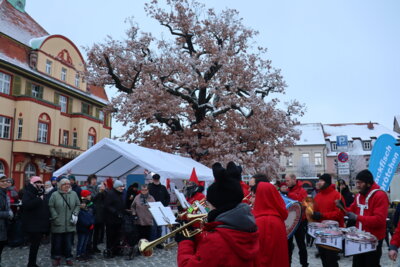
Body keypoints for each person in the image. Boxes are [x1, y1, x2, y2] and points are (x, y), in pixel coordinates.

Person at [176, 162, 259, 267]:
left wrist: (185, 242)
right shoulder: (189, 197)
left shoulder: (200, 196)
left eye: (191, 183)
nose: (189, 186)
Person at [344, 169, 389, 267]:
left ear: (368, 183)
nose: (357, 185)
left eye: (360, 182)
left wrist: (357, 217)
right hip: (359, 238)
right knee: (357, 264)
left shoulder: (380, 195)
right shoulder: (359, 196)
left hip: (373, 240)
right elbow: (350, 210)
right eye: (356, 182)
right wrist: (341, 206)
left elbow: (379, 220)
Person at [311, 174, 345, 267]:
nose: (318, 183)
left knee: (331, 261)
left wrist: (322, 215)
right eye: (319, 181)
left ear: (327, 182)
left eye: (321, 181)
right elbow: (315, 210)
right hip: (321, 233)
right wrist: (313, 215)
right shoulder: (318, 196)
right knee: (324, 259)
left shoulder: (337, 195)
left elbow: (340, 214)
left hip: (334, 234)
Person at [253, 180, 289, 267]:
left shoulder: (262, 220)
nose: (252, 197)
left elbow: (262, 256)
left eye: (255, 195)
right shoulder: (277, 218)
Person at [48, 178, 80, 266]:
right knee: (57, 243)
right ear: (60, 185)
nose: (67, 185)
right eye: (64, 184)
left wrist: (75, 212)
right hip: (58, 222)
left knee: (68, 243)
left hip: (70, 223)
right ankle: (57, 258)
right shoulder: (55, 194)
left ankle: (68, 258)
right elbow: (51, 206)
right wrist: (55, 216)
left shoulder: (73, 194)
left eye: (68, 184)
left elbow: (78, 204)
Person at [21, 176, 50, 267]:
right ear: (33, 183)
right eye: (37, 183)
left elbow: (44, 207)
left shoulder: (40, 192)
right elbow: (26, 205)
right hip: (33, 224)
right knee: (34, 245)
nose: (40, 184)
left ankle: (32, 263)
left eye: (40, 182)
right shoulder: (28, 192)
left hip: (40, 223)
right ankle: (31, 263)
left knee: (36, 246)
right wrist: (38, 199)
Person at [285, 173, 309, 267]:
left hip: (300, 222)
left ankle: (304, 264)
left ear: (294, 179)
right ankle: (288, 263)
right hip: (289, 222)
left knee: (301, 245)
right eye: (285, 181)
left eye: (287, 180)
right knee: (288, 246)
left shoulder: (302, 191)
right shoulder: (287, 191)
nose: (286, 183)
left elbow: (305, 206)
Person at [103, 180, 125, 258]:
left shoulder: (120, 194)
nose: (122, 188)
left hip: (119, 219)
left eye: (122, 186)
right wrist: (116, 212)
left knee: (117, 236)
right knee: (110, 236)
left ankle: (116, 250)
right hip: (111, 220)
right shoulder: (110, 194)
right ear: (116, 187)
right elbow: (107, 206)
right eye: (120, 187)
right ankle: (110, 251)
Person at [148, 174, 170, 242]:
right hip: (152, 209)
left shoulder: (163, 187)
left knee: (159, 227)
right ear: (153, 179)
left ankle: (158, 242)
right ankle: (152, 241)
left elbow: (167, 197)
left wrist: (164, 205)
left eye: (157, 180)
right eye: (155, 179)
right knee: (153, 227)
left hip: (160, 209)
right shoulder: (149, 187)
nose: (156, 181)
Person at [76, 190, 95, 261]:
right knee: (81, 242)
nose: (83, 204)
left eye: (84, 204)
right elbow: (81, 220)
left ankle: (83, 254)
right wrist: (88, 223)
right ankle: (79, 254)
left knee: (86, 242)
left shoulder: (89, 208)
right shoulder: (80, 211)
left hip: (88, 228)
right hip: (82, 228)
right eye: (82, 203)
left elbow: (92, 217)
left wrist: (92, 223)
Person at [0, 176, 13, 266]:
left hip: (3, 226)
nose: (5, 183)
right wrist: (7, 214)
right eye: (2, 181)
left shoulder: (4, 192)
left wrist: (9, 211)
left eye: (6, 181)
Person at [92, 183, 106, 253]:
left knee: (98, 233)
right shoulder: (97, 196)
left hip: (101, 217)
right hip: (97, 217)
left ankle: (95, 246)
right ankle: (94, 246)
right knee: (95, 233)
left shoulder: (103, 195)